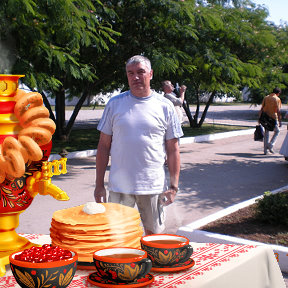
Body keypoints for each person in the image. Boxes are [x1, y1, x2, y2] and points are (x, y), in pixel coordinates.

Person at [94, 55, 183, 235]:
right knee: (118, 238)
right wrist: (99, 185)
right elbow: (103, 147)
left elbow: (173, 149)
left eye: (140, 72)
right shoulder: (114, 104)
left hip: (152, 186)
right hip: (119, 188)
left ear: (150, 74)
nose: (135, 77)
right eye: (130, 73)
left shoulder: (165, 106)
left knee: (154, 238)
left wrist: (173, 186)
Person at [259, 87, 282, 155]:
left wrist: (259, 118)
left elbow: (262, 108)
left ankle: (265, 150)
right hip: (273, 118)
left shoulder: (266, 97)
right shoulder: (277, 99)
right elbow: (278, 110)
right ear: (278, 93)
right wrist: (280, 120)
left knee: (266, 133)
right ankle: (270, 145)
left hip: (265, 117)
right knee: (277, 131)